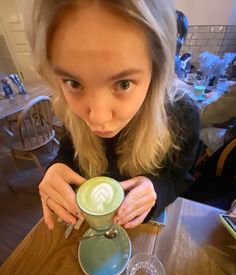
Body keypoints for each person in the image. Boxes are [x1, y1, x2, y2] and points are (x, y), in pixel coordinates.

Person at [25, 0, 199, 230]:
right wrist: (56, 168)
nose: (97, 119)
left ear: (157, 71)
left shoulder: (182, 114)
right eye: (73, 82)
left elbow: (178, 176)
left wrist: (157, 189)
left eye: (124, 83)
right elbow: (70, 154)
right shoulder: (70, 107)